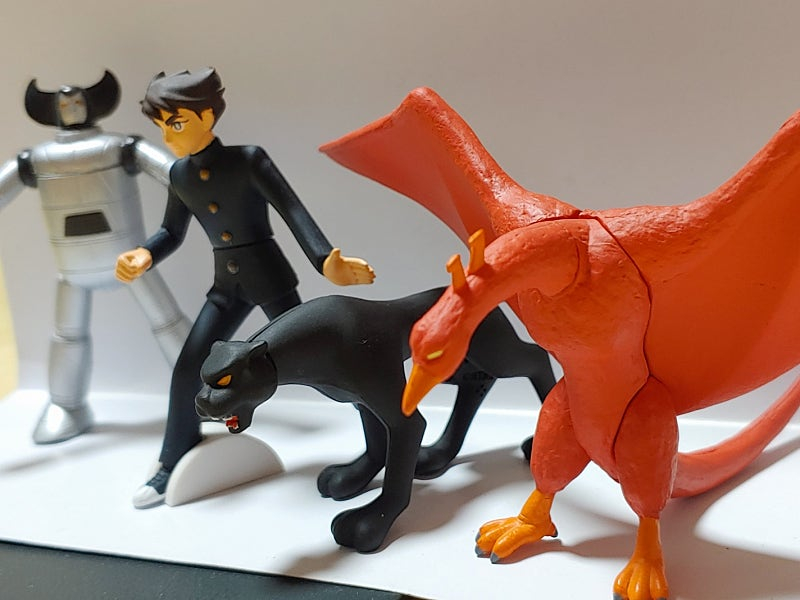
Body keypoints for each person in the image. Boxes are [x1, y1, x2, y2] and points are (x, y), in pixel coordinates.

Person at [116, 68, 375, 508]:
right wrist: (145, 253)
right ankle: (171, 460)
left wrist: (325, 261)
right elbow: (171, 231)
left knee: (322, 368)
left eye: (175, 123)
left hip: (270, 279)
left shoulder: (249, 160)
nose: (168, 136)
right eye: (161, 126)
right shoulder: (179, 175)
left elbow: (293, 210)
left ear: (206, 116)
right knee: (188, 369)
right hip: (226, 286)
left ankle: (382, 436)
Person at [0, 70, 189, 444]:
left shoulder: (120, 148)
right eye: (64, 103)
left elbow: (177, 176)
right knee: (66, 337)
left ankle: (203, 390)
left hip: (131, 260)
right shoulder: (36, 160)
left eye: (77, 101)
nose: (71, 107)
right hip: (72, 269)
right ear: (52, 110)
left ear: (92, 104)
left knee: (168, 322)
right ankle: (66, 405)